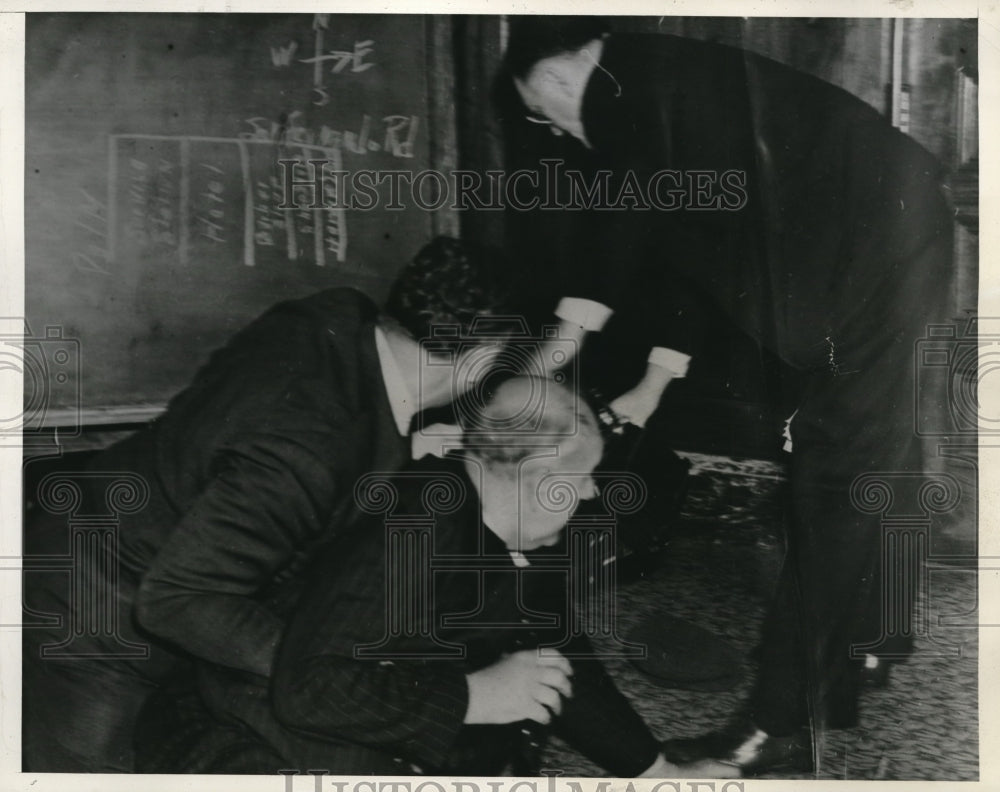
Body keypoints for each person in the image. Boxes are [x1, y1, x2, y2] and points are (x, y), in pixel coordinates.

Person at [497, 16, 957, 776]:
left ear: (555, 72)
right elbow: (693, 265)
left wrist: (553, 354)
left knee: (837, 475)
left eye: (547, 111)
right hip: (885, 235)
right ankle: (870, 644)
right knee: (882, 450)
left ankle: (781, 721)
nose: (564, 134)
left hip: (878, 249)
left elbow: (625, 246)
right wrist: (649, 387)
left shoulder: (636, 96)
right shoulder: (666, 85)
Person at [21, 236, 509, 772]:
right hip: (94, 621)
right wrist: (327, 670)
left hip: (104, 523)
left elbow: (272, 443)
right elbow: (178, 601)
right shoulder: (310, 452)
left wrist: (398, 448)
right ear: (482, 359)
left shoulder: (334, 315)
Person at [132, 375, 737, 778]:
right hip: (248, 739)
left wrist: (657, 774)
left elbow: (559, 657)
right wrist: (478, 696)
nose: (590, 494)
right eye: (580, 478)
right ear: (532, 478)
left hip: (365, 732)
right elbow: (311, 689)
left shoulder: (522, 531)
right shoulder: (413, 528)